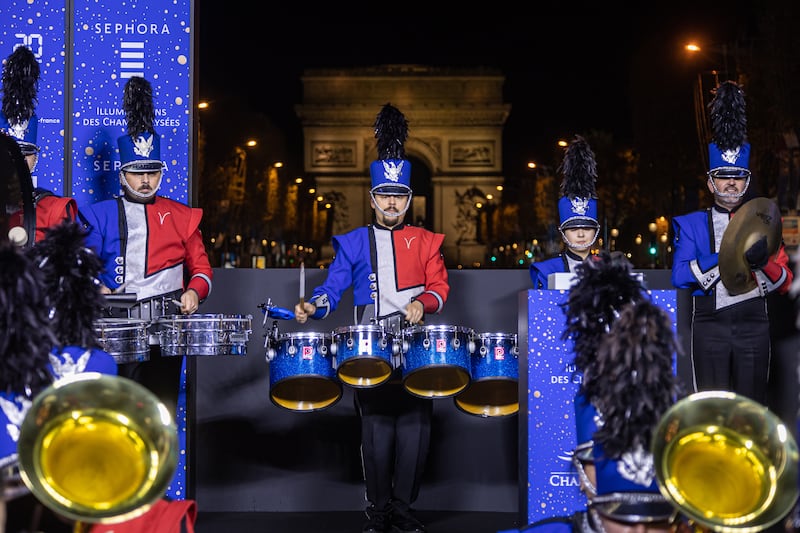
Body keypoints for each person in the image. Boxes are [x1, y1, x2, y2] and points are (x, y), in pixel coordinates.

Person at [294, 103, 449, 533]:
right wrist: (314, 305)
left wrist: (426, 303)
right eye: (385, 196)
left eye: (400, 196)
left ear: (409, 199)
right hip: (370, 351)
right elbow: (332, 288)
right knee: (376, 435)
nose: (393, 203)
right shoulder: (353, 242)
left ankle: (404, 506)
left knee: (416, 435)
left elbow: (440, 287)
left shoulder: (427, 240)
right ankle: (379, 510)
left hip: (416, 351)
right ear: (373, 198)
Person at [81, 76, 213, 419]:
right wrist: (100, 287)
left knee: (160, 414)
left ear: (161, 173)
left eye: (152, 172)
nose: (145, 181)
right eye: (137, 173)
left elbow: (201, 269)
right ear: (122, 174)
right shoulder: (99, 215)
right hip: (116, 327)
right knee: (115, 415)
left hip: (167, 328)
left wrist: (195, 293)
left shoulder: (183, 216)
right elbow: (85, 265)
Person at [671, 80, 793, 404]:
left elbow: (784, 282)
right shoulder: (691, 224)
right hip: (709, 325)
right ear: (711, 182)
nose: (730, 183)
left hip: (755, 324)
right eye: (723, 176)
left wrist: (762, 262)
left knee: (750, 409)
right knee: (711, 409)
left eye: (737, 176)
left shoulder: (765, 221)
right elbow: (679, 276)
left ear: (746, 180)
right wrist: (725, 252)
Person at [0, 45, 78, 246]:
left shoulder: (55, 210)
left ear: (36, 157)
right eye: (9, 152)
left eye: (24, 153)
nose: (17, 160)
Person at [529, 135, 600, 289]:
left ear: (596, 230)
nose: (581, 235)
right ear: (562, 232)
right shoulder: (546, 271)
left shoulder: (609, 269)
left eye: (587, 228)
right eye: (573, 229)